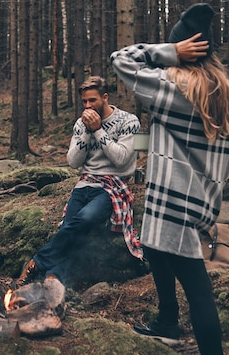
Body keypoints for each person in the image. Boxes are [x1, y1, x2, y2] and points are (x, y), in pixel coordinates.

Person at [110, 3, 229, 354]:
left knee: (198, 288)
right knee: (153, 246)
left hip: (173, 201)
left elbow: (121, 58)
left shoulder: (173, 88)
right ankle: (167, 321)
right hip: (201, 199)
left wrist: (169, 53)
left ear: (185, 49)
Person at [17, 75, 142, 286]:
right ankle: (54, 277)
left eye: (92, 100)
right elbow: (73, 162)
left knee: (84, 220)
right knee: (71, 228)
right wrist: (86, 132)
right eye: (84, 101)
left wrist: (98, 130)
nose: (87, 106)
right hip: (85, 183)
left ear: (104, 97)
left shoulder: (130, 121)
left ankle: (37, 263)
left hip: (112, 186)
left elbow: (122, 160)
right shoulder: (80, 124)